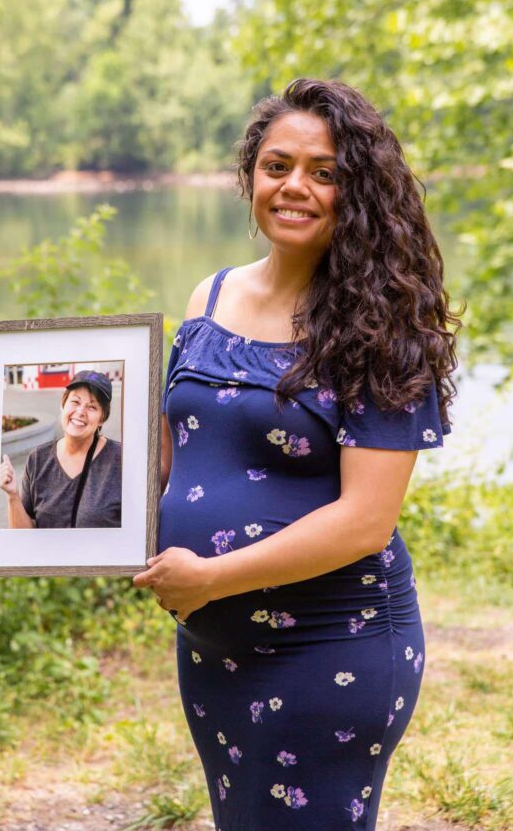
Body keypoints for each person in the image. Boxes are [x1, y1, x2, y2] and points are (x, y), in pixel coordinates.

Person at [130, 78, 461, 830]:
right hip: (213, 647)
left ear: (360, 194)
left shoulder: (382, 327)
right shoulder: (207, 299)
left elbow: (363, 523)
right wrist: (22, 447)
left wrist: (209, 576)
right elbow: (166, 464)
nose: (294, 187)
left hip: (331, 649)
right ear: (250, 174)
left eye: (324, 172)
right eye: (276, 165)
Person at [0, 369, 122, 528]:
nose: (80, 412)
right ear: (63, 405)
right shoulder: (38, 459)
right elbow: (24, 538)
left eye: (92, 407)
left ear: (102, 418)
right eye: (75, 401)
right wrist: (12, 495)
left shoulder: (120, 459)